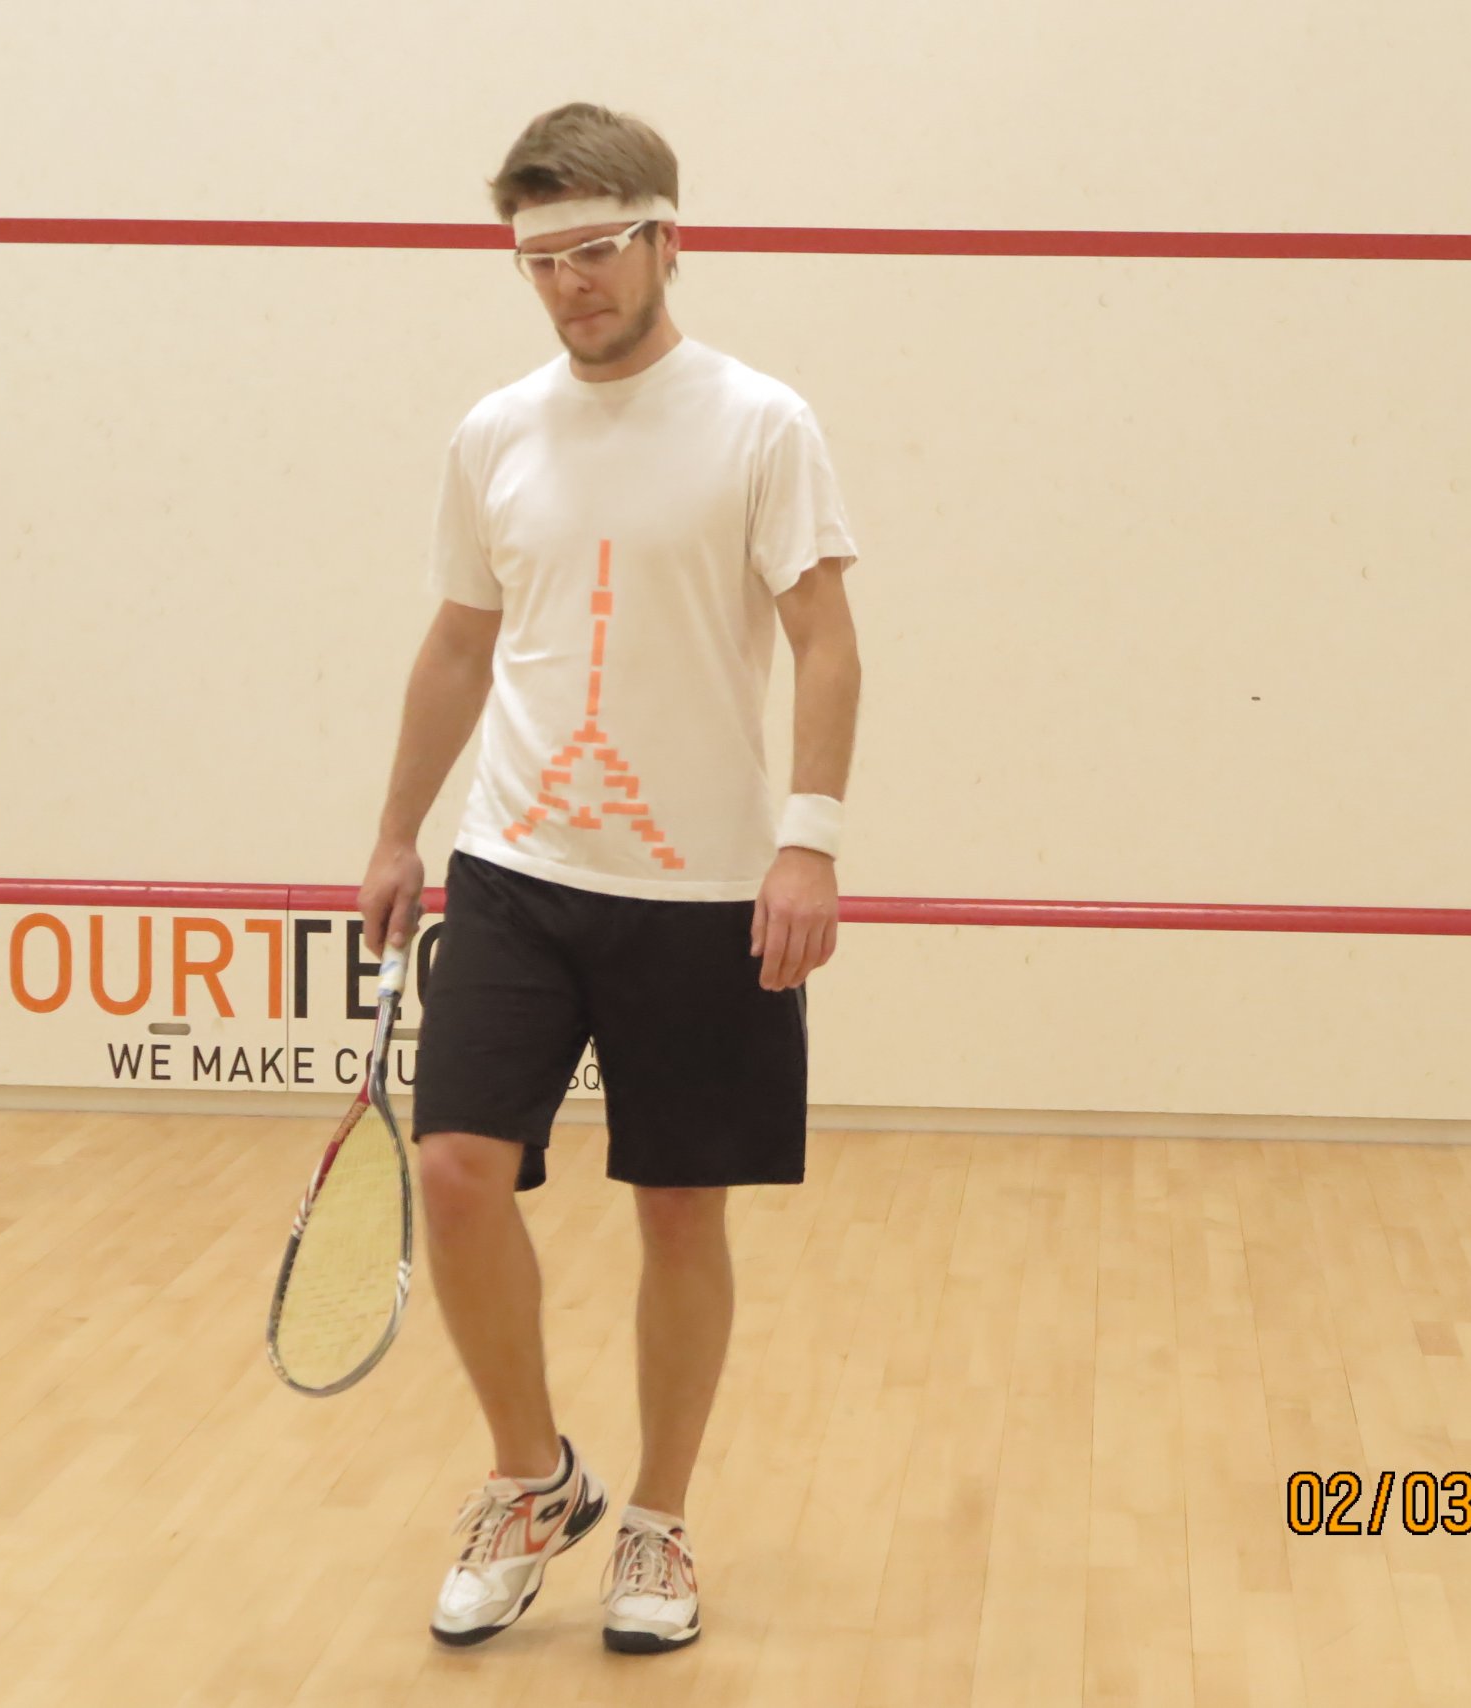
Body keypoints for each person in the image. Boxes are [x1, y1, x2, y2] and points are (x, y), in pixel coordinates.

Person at [355, 101, 863, 1655]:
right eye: (540, 260)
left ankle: (658, 1520)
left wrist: (808, 838)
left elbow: (825, 639)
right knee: (455, 1169)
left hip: (704, 892)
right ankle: (532, 1481)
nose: (569, 283)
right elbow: (458, 645)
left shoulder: (762, 423)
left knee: (680, 1210)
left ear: (665, 239)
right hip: (515, 869)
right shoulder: (495, 433)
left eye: (593, 250)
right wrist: (397, 830)